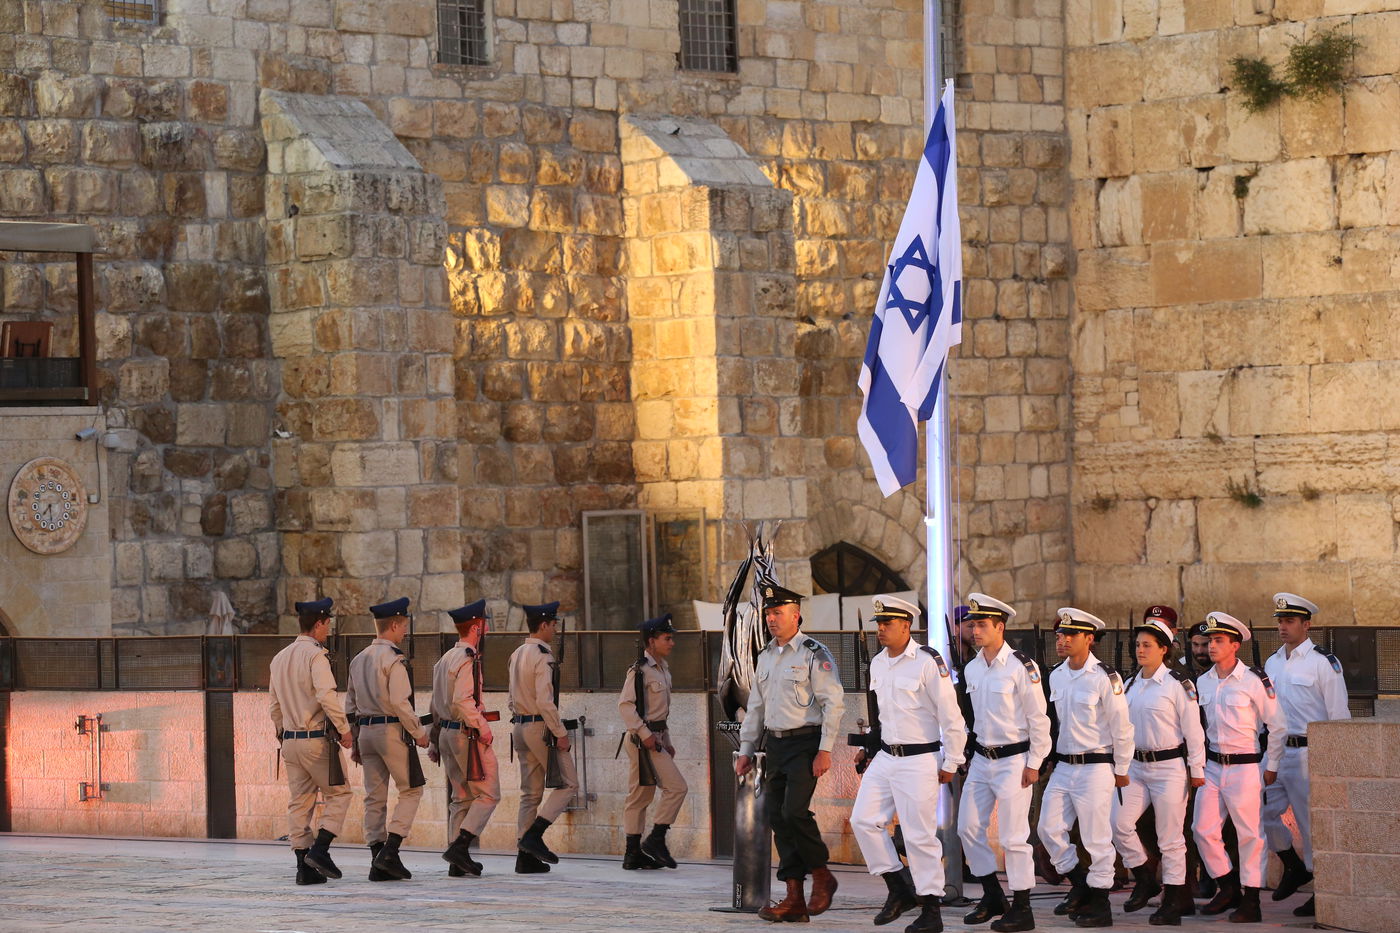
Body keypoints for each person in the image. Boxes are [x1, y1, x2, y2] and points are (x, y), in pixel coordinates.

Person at [849, 595, 968, 932]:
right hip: (887, 756)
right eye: (879, 624)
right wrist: (870, 747)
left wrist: (953, 759)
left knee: (918, 837)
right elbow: (884, 715)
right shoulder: (877, 663)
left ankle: (931, 909)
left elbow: (951, 715)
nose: (881, 630)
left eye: (887, 624)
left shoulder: (928, 662)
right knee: (863, 820)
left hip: (920, 759)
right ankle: (898, 888)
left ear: (906, 626)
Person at [735, 583, 845, 924]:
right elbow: (755, 707)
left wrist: (825, 750)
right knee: (778, 819)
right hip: (777, 744)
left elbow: (834, 703)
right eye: (768, 613)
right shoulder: (765, 655)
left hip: (805, 743)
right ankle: (795, 897)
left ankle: (822, 874)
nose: (771, 618)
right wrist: (746, 749)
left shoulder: (814, 652)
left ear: (795, 615)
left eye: (778, 612)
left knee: (795, 811)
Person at [957, 593, 1052, 933]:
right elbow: (973, 717)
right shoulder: (971, 667)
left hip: (1015, 759)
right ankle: (993, 895)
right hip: (982, 759)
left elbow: (1039, 718)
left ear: (1000, 627)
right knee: (967, 827)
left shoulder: (1021, 667)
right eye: (972, 624)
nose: (975, 630)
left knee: (1014, 837)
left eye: (982, 624)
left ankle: (1023, 907)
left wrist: (1035, 762)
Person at [1037, 608, 1134, 928]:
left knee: (1096, 837)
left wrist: (1121, 768)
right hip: (1065, 764)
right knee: (1047, 829)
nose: (1062, 640)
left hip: (1096, 765)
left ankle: (1101, 902)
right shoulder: (1057, 674)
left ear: (1089, 639)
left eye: (1070, 635)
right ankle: (1080, 884)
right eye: (1060, 635)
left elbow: (1122, 727)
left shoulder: (1106, 676)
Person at [1111, 607, 1206, 926]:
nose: (1140, 649)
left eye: (1148, 644)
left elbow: (1194, 730)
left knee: (1170, 838)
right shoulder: (1130, 683)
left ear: (1164, 650)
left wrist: (1197, 770)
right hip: (1136, 767)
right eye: (1138, 644)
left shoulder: (1178, 684)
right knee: (1119, 823)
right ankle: (1145, 876)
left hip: (1169, 768)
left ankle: (1176, 899)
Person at [1192, 611, 1285, 923]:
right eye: (1209, 640)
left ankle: (1252, 899)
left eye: (1219, 640)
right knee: (1202, 829)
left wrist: (1271, 764)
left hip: (1246, 766)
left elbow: (1278, 725)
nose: (1211, 646)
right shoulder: (1202, 682)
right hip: (1214, 765)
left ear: (1235, 645)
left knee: (1249, 835)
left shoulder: (1253, 680)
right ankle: (1228, 885)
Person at [1261, 593, 1349, 918]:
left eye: (1290, 621)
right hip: (1277, 752)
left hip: (1307, 754)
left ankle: (1321, 890)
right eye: (1280, 621)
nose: (1283, 627)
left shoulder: (1323, 663)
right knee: (1264, 811)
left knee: (1311, 825)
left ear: (1306, 624)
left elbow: (1338, 716)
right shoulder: (1272, 663)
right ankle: (1294, 866)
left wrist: (1334, 765)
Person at [269, 597, 353, 885]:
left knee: (300, 802)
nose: (328, 629)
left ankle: (303, 869)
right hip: (316, 739)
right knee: (340, 793)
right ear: (318, 624)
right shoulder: (316, 656)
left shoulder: (279, 658)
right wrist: (344, 729)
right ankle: (321, 850)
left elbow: (274, 707)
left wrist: (283, 733)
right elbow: (326, 696)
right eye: (327, 624)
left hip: (290, 741)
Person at [347, 596, 431, 881]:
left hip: (367, 732)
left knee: (375, 797)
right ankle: (390, 852)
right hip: (391, 731)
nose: (405, 632)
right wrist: (419, 733)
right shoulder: (393, 659)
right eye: (403, 626)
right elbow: (400, 702)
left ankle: (377, 860)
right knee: (411, 789)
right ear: (394, 625)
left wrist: (357, 740)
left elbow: (350, 705)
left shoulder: (358, 659)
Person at [429, 600, 500, 878]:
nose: (487, 626)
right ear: (476, 626)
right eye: (484, 622)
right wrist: (482, 727)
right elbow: (462, 700)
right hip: (464, 735)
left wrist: (434, 739)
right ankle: (460, 847)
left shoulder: (446, 658)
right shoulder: (468, 658)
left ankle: (457, 862)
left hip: (446, 732)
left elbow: (436, 702)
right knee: (489, 794)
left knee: (460, 797)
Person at [508, 601, 580, 873]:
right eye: (553, 624)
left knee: (530, 794)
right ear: (543, 625)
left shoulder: (517, 653)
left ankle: (524, 857)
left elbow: (511, 695)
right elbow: (545, 701)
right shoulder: (542, 655)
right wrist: (560, 733)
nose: (555, 629)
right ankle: (534, 836)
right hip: (540, 726)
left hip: (520, 725)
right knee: (569, 784)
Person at [617, 613, 688, 870]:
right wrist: (646, 736)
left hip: (655, 738)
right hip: (642, 740)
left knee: (640, 796)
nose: (672, 643)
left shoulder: (662, 669)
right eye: (667, 638)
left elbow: (660, 713)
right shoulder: (640, 670)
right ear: (651, 641)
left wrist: (666, 739)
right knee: (676, 787)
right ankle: (655, 840)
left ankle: (632, 853)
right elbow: (625, 706)